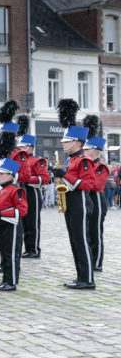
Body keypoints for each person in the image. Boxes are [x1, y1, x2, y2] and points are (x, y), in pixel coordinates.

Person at [51, 119, 97, 289]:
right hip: (71, 201)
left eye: (67, 141)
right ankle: (80, 276)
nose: (63, 144)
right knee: (74, 240)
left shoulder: (84, 160)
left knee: (82, 240)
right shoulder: (72, 159)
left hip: (81, 202)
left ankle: (88, 279)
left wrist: (65, 175)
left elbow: (87, 185)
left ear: (77, 142)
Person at [0, 158, 28, 291]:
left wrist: (2, 214)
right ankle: (5, 279)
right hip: (1, 225)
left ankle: (11, 282)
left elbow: (22, 211)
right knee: (3, 254)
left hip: (12, 225)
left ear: (11, 175)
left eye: (2, 174)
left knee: (11, 254)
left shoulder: (16, 190)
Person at [14, 133, 50, 258]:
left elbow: (45, 178)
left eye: (23, 147)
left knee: (32, 222)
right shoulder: (18, 158)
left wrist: (27, 179)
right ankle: (27, 248)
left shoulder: (37, 160)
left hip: (32, 192)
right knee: (23, 222)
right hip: (21, 191)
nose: (20, 149)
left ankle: (33, 249)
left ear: (30, 147)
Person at [83, 135, 109, 272]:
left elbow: (95, 185)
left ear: (94, 151)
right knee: (87, 232)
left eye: (86, 149)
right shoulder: (87, 164)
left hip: (96, 199)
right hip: (86, 199)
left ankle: (97, 262)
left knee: (96, 232)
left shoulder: (100, 167)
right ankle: (89, 260)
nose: (84, 152)